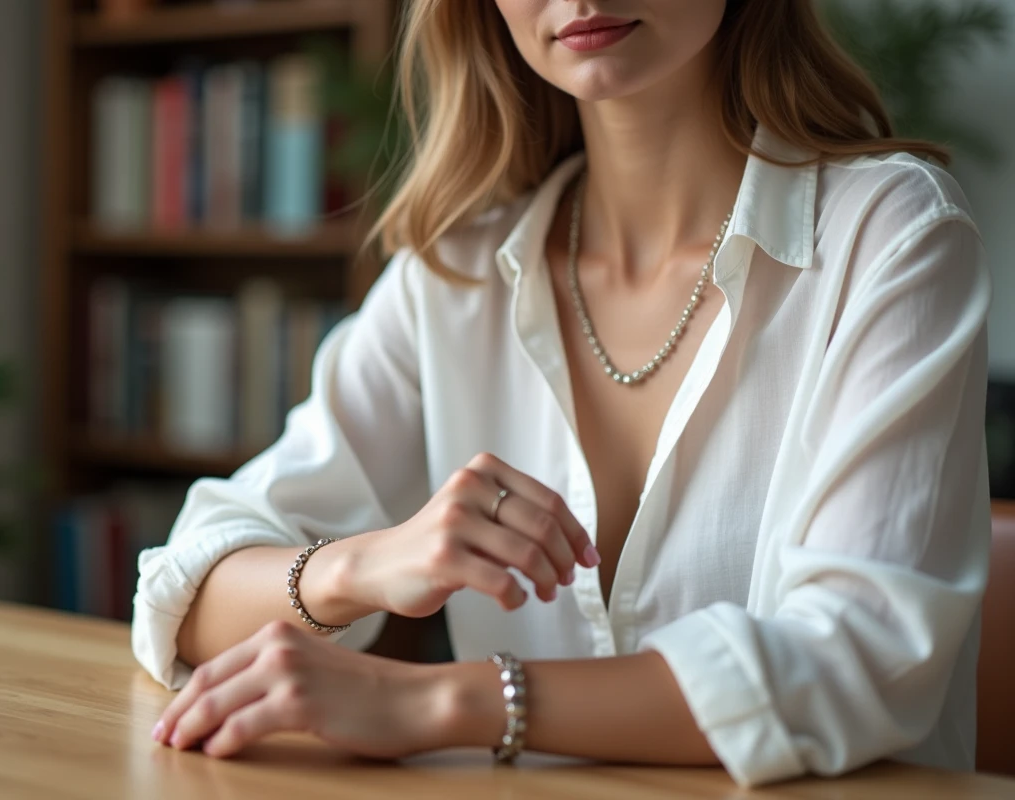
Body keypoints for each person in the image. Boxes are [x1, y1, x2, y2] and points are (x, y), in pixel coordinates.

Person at [132, 0, 992, 787]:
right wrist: (365, 564)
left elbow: (854, 662)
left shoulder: (892, 238)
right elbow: (187, 591)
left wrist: (440, 702)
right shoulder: (456, 273)